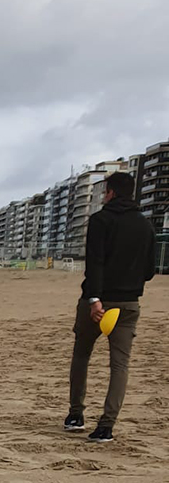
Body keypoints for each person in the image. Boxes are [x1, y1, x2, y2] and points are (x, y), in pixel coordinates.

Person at [66, 171, 157, 443]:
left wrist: (94, 299)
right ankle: (106, 425)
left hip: (98, 301)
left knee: (82, 356)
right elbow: (150, 270)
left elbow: (94, 262)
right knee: (120, 365)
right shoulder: (145, 226)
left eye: (105, 191)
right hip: (129, 303)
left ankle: (75, 415)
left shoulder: (101, 220)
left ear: (112, 192)